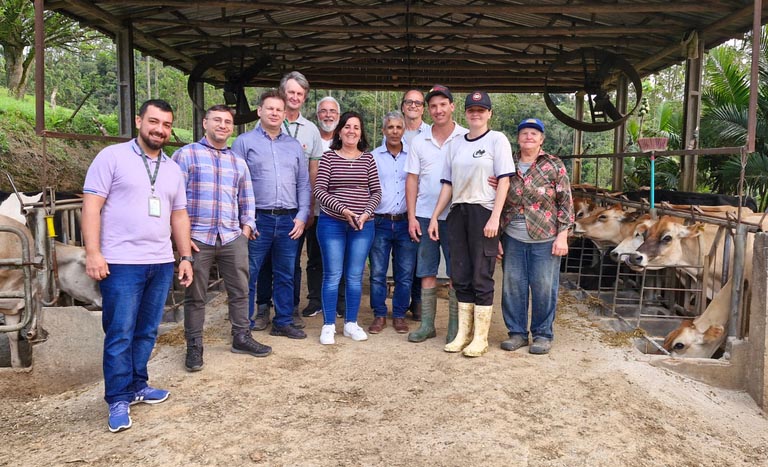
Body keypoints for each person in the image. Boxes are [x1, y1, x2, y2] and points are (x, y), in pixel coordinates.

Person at [82, 99, 194, 433]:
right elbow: (91, 206)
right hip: (121, 262)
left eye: (166, 125)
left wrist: (184, 255)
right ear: (138, 121)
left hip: (159, 262)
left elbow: (179, 215)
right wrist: (93, 252)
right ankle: (117, 397)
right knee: (119, 332)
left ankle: (137, 385)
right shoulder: (111, 157)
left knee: (146, 330)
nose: (160, 129)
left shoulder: (173, 168)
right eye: (154, 122)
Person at [173, 105, 272, 373]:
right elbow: (173, 198)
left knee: (240, 289)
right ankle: (194, 345)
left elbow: (246, 199)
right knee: (196, 295)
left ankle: (241, 336)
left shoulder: (237, 162)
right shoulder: (186, 155)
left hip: (231, 236)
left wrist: (246, 229)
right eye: (217, 120)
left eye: (227, 122)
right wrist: (180, 237)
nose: (223, 125)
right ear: (205, 123)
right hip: (197, 238)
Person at [428, 91, 514, 357]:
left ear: (489, 113)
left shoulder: (497, 140)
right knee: (461, 274)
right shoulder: (456, 144)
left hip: (483, 212)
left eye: (481, 109)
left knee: (481, 275)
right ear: (464, 113)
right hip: (458, 213)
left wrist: (495, 218)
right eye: (471, 110)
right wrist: (435, 216)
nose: (476, 114)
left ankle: (480, 337)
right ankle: (462, 334)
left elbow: (504, 181)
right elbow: (448, 184)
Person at [233, 90, 311, 340]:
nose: (275, 113)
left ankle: (284, 321)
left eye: (279, 109)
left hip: (289, 219)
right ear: (260, 111)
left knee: (286, 273)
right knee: (250, 273)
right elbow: (235, 184)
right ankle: (243, 327)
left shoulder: (293, 146)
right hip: (258, 219)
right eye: (270, 108)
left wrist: (302, 215)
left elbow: (303, 183)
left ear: (284, 114)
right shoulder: (244, 142)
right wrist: (245, 219)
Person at [254, 71, 323, 330]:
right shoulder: (261, 127)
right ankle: (262, 308)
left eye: (299, 94)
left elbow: (312, 173)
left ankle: (290, 309)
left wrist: (309, 209)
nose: (294, 97)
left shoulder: (311, 131)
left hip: (296, 207)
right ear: (282, 93)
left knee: (291, 261)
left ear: (304, 98)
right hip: (266, 206)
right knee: (263, 262)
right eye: (290, 92)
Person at [499, 118, 574, 355]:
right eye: (524, 133)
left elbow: (566, 203)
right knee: (513, 286)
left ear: (541, 139)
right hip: (512, 235)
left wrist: (562, 236)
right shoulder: (506, 163)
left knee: (543, 286)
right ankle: (517, 333)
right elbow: (498, 197)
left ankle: (542, 334)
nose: (528, 137)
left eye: (534, 133)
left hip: (545, 236)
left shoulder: (554, 165)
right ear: (518, 138)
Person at [404, 85, 466, 344]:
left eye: (443, 104)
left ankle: (454, 328)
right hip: (424, 214)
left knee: (455, 273)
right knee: (427, 271)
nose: (438, 110)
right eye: (433, 106)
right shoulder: (419, 140)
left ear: (452, 106)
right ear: (428, 110)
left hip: (457, 216)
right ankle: (427, 325)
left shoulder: (466, 137)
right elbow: (412, 180)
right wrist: (411, 216)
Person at [314, 111, 382, 345]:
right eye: (347, 127)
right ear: (339, 131)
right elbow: (320, 191)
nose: (351, 131)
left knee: (354, 276)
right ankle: (329, 325)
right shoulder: (329, 158)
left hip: (362, 225)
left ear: (361, 133)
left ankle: (351, 323)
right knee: (332, 275)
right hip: (332, 223)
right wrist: (344, 210)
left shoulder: (368, 159)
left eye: (356, 127)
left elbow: (376, 191)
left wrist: (365, 213)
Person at [368, 111, 418, 335]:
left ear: (404, 130)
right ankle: (379, 314)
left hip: (405, 222)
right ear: (384, 131)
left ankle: (398, 314)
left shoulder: (413, 155)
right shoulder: (373, 157)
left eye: (399, 127)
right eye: (391, 127)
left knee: (405, 272)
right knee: (378, 272)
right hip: (379, 221)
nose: (395, 131)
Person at [300, 96, 343, 318]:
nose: (328, 115)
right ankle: (315, 300)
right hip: (314, 211)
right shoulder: (310, 137)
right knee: (315, 257)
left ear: (338, 115)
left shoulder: (345, 138)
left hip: (339, 214)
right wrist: (308, 208)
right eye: (324, 111)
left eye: (332, 111)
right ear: (318, 115)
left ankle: (339, 302)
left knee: (339, 258)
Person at [400, 89, 430, 321]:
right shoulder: (392, 130)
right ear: (403, 106)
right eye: (409, 102)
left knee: (420, 257)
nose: (413, 106)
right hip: (395, 205)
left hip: (421, 206)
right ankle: (401, 303)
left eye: (418, 103)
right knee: (403, 262)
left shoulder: (431, 133)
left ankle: (418, 301)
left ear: (423, 108)